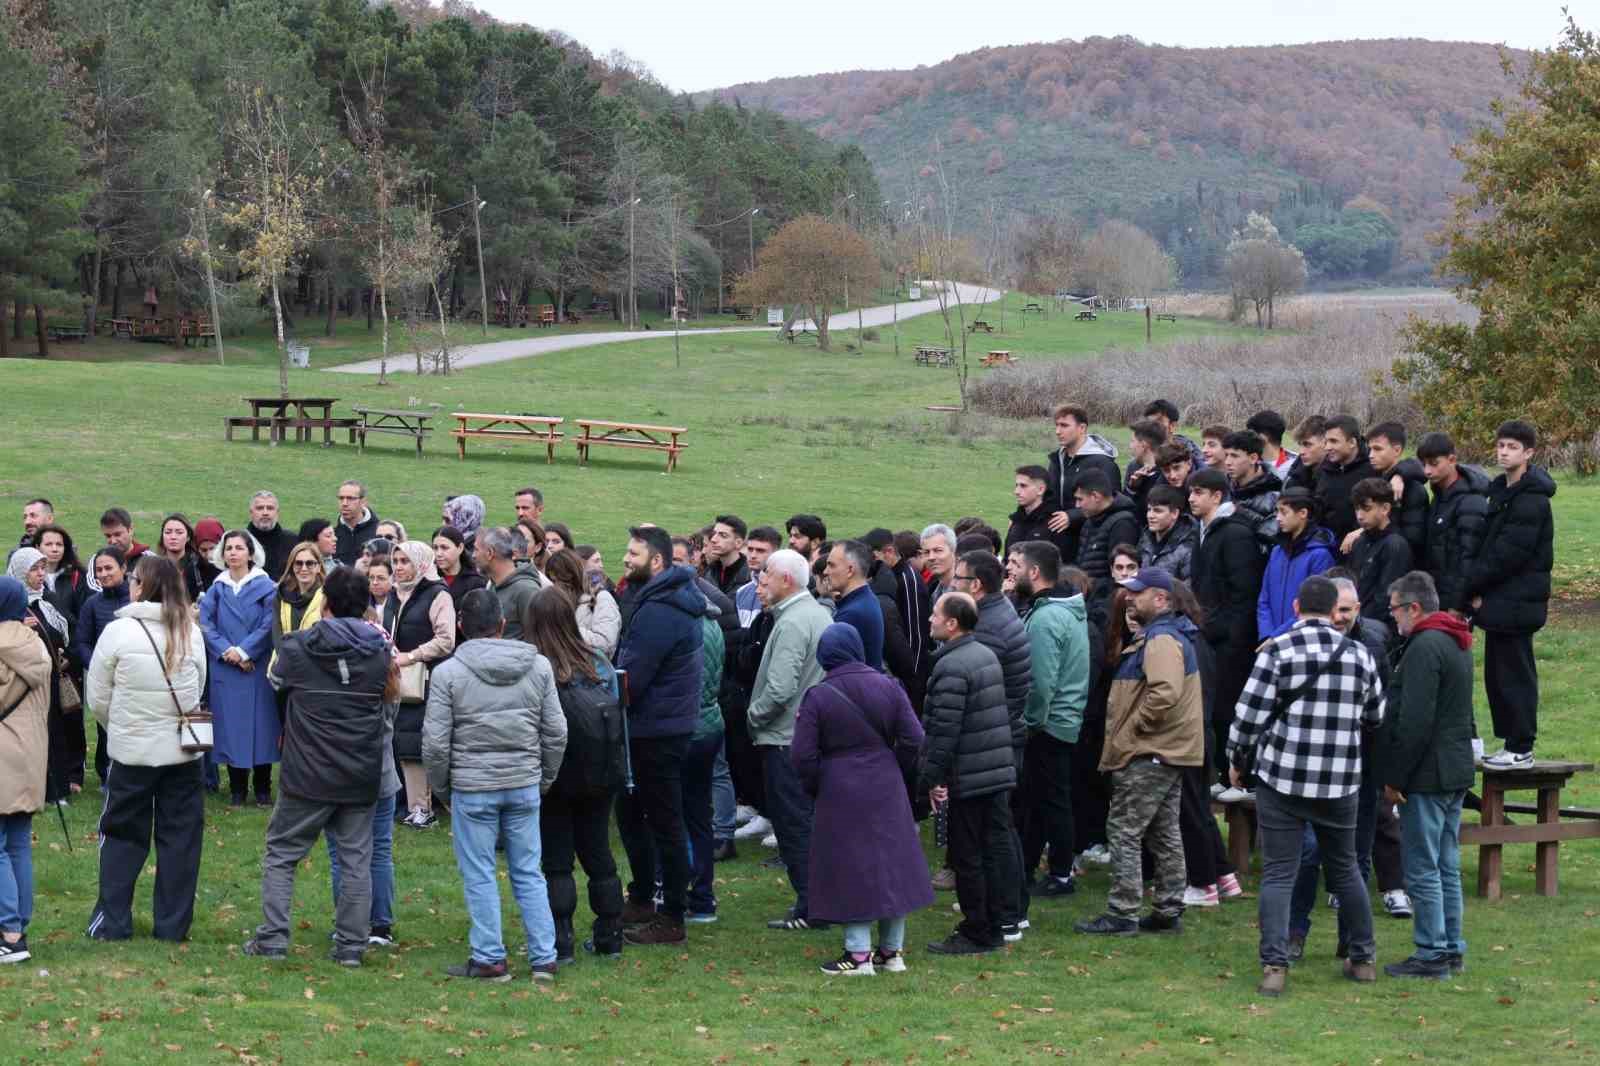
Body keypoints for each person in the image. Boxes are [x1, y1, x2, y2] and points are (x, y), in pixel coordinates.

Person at [1228, 575, 1386, 998]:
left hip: (1283, 777)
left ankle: (1275, 966)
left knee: (1280, 872)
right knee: (1346, 868)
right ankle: (1364, 958)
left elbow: (1247, 718)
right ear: (1335, 608)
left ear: (1296, 607)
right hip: (1340, 781)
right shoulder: (1358, 654)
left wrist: (1237, 759)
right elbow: (1376, 715)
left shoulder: (1277, 651)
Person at [245, 568, 392, 967]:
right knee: (356, 860)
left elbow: (276, 680)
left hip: (306, 771)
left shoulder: (297, 647)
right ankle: (351, 947)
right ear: (367, 607)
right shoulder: (380, 650)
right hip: (358, 771)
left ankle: (273, 938)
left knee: (281, 853)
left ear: (324, 604)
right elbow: (390, 694)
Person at [423, 588, 567, 982]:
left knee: (480, 872)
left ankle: (489, 957)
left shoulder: (448, 673)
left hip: (475, 787)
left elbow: (435, 743)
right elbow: (556, 732)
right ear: (503, 624)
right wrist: (544, 778)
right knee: (528, 871)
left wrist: (442, 789)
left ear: (462, 628)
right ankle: (543, 957)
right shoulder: (538, 667)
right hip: (520, 783)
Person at [794, 623, 931, 976]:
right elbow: (915, 738)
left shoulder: (819, 696)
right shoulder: (890, 686)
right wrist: (892, 765)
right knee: (891, 865)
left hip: (840, 786)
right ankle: (891, 952)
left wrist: (818, 784)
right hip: (886, 781)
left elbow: (803, 756)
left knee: (852, 867)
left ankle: (857, 955)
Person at [84, 556, 207, 941]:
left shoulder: (119, 632)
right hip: (181, 753)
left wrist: (120, 727)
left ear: (142, 585)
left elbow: (99, 696)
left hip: (132, 752)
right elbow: (198, 686)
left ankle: (113, 921)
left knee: (122, 836)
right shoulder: (190, 631)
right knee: (180, 841)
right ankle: (172, 926)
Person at [1076, 568, 1203, 937]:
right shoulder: (1163, 636)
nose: (1130, 598)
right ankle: (1167, 909)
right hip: (1165, 751)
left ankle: (1123, 912)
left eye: (1139, 593)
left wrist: (1131, 732)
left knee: (1124, 830)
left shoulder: (1162, 640)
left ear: (1161, 599)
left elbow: (1164, 693)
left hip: (1150, 751)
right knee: (1164, 832)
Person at [520, 590, 626, 962]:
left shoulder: (535, 666)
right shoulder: (598, 662)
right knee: (599, 852)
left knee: (557, 859)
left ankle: (560, 937)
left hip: (555, 772)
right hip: (600, 769)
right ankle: (610, 932)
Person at [615, 526, 705, 946]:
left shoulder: (661, 609)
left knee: (664, 822)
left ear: (656, 562)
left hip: (656, 731)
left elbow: (632, 676)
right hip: (656, 726)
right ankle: (643, 896)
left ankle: (671, 915)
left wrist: (606, 691)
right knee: (632, 814)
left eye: (633, 554)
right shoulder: (657, 600)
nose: (625, 560)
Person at [1381, 572, 1473, 980]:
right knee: (1447, 866)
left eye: (1395, 611)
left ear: (1413, 608)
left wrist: (1395, 777)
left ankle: (1432, 952)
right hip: (1454, 769)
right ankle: (1450, 947)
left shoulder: (1424, 646)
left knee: (1423, 867)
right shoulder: (1455, 640)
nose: (1393, 619)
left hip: (1429, 774)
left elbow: (1414, 721)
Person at [920, 592, 1016, 955]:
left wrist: (929, 778)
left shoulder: (953, 665)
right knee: (989, 851)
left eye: (935, 614)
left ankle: (978, 930)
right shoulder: (983, 655)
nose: (930, 619)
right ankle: (994, 923)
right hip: (992, 771)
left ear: (952, 623)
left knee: (968, 856)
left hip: (971, 776)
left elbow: (944, 731)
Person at [747, 549, 831, 929]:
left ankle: (812, 907)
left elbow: (780, 688)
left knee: (794, 824)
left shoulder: (793, 622)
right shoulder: (816, 614)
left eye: (767, 576)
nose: (761, 582)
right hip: (806, 736)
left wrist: (752, 716)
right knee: (808, 823)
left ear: (787, 580)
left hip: (785, 738)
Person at [1466, 419, 1555, 770]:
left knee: (1515, 674)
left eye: (1512, 447)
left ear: (1529, 453)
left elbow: (1508, 554)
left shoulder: (1531, 500)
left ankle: (1521, 747)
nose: (1504, 452)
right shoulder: (1500, 490)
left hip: (1519, 600)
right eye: (1501, 445)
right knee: (1498, 675)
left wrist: (1473, 585)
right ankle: (1511, 744)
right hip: (1501, 600)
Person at [958, 550, 1032, 937]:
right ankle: (1012, 908)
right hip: (1002, 738)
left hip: (992, 743)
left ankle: (1006, 912)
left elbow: (974, 691)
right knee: (1000, 829)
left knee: (995, 832)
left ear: (977, 586)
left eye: (959, 579)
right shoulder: (998, 614)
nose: (953, 585)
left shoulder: (988, 628)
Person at [1012, 541, 1090, 902]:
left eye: (1016, 566)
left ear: (1034, 572)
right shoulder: (1061, 610)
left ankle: (1060, 874)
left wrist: (1029, 723)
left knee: (1051, 801)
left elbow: (1041, 683)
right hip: (1061, 720)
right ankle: (1032, 866)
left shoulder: (1045, 619)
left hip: (1048, 725)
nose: (1010, 572)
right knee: (1042, 800)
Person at [1188, 468, 1265, 785]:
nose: (1191, 498)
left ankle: (1234, 778)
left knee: (1226, 710)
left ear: (1217, 496)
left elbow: (1243, 593)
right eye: (1191, 492)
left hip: (1229, 644)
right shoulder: (1204, 529)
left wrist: (1220, 633)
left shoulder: (1235, 534)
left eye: (1198, 492)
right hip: (1208, 636)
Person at [199, 531, 278, 807]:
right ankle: (237, 788)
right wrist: (229, 652)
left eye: (239, 548)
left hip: (256, 667)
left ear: (250, 553)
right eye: (228, 548)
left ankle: (263, 788)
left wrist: (245, 651)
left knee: (262, 727)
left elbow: (269, 624)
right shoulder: (216, 589)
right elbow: (206, 624)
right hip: (227, 669)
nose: (233, 553)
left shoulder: (267, 587)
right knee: (231, 728)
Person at [385, 541, 457, 830]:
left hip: (426, 680)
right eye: (396, 561)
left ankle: (423, 808)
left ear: (420, 563)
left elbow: (446, 639)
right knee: (399, 741)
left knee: (416, 743)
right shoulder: (394, 594)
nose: (399, 567)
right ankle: (407, 803)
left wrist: (412, 656)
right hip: (396, 678)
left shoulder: (437, 595)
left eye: (406, 561)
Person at [0, 576, 51, 964]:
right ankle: (19, 923)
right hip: (30, 752)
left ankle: (10, 932)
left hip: (2, 752)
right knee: (17, 843)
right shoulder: (36, 642)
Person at [7, 548, 72, 802]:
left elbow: (65, 631)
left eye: (43, 568)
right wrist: (18, 627)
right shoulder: (10, 603)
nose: (40, 574)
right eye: (34, 569)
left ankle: (57, 789)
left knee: (55, 729)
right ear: (21, 572)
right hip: (23, 682)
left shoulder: (47, 600)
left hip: (51, 678)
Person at [1417, 432, 1489, 618]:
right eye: (1423, 464)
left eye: (1434, 463)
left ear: (1452, 460)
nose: (1427, 471)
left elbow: (1469, 557)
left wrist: (1458, 605)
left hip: (1453, 603)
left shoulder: (1471, 501)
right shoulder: (1440, 497)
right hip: (1435, 597)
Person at [77, 547, 133, 786]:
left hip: (135, 676)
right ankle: (106, 774)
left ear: (123, 568)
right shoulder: (92, 604)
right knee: (105, 728)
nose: (103, 574)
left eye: (109, 568)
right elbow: (82, 641)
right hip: (104, 678)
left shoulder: (137, 599)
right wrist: (99, 667)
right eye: (99, 570)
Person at [1046, 404, 1121, 564]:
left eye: (1064, 425)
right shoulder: (1056, 460)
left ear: (1082, 428)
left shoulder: (1102, 462)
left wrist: (1073, 516)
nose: (1058, 431)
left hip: (1091, 541)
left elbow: (1112, 501)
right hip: (1058, 541)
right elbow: (1050, 496)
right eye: (1057, 425)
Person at [1257, 489, 1337, 640]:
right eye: (1277, 512)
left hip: (1302, 638)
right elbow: (1264, 598)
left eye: (1284, 512)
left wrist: (1277, 636)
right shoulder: (1277, 552)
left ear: (1303, 513)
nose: (1278, 518)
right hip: (1270, 639)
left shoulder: (1319, 555)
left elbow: (1313, 606)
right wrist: (1266, 634)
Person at [1348, 478, 1414, 630]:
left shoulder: (1395, 545)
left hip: (1378, 629)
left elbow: (1386, 597)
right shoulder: (1359, 542)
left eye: (1366, 508)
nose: (1359, 516)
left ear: (1385, 508)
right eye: (1357, 509)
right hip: (1356, 622)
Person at [1364, 423, 1430, 561]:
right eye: (1369, 449)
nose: (1371, 455)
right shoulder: (1374, 477)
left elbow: (1412, 539)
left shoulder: (1412, 489)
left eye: (1377, 449)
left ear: (1397, 450)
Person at [1073, 472, 1141, 602]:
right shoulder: (1090, 521)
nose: (1077, 505)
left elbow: (1121, 573)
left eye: (1080, 499)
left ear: (1095, 496)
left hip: (1106, 602)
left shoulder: (1122, 523)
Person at [1313, 416, 1377, 554]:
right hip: (1324, 549)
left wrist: (1399, 476)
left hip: (1357, 552)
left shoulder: (1373, 469)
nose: (1327, 447)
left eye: (1334, 441)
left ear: (1352, 442)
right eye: (1326, 441)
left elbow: (1406, 467)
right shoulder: (1323, 469)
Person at [545, 549, 620, 657]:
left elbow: (605, 643)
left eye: (560, 580)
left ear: (573, 575)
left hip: (592, 670)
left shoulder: (601, 598)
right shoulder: (556, 601)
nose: (556, 586)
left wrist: (566, 629)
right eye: (553, 581)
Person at [824, 541, 884, 671]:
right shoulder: (865, 600)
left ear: (850, 570)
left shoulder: (852, 613)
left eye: (831, 565)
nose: (825, 571)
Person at [475, 527, 540, 642]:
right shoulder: (493, 584)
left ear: (490, 553)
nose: (473, 555)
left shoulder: (527, 590)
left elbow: (538, 637)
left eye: (476, 550)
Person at [1223, 430, 1283, 551]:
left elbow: (1271, 535)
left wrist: (1240, 513)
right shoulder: (1222, 487)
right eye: (1226, 455)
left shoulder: (1276, 494)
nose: (1227, 462)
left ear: (1253, 458)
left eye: (1234, 456)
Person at [271, 543, 326, 664]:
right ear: (292, 566)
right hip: (285, 664)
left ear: (318, 567)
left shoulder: (327, 596)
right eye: (298, 563)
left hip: (316, 666)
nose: (304, 568)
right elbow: (277, 632)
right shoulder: (281, 595)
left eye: (310, 563)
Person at [1005, 465, 1072, 560]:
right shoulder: (1016, 521)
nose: (1016, 491)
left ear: (1040, 489)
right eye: (1017, 485)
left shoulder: (1055, 522)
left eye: (1023, 486)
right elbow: (1007, 558)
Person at [433, 526, 488, 637]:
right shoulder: (429, 579)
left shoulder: (476, 583)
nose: (438, 553)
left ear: (460, 548)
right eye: (435, 548)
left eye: (444, 548)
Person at [1138, 485, 1198, 581]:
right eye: (1149, 510)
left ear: (1174, 513)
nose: (1150, 515)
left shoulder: (1188, 546)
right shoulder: (1145, 539)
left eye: (1158, 511)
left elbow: (1189, 588)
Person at [158, 514, 215, 601]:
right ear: (162, 536)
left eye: (179, 532)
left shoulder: (199, 567)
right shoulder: (154, 566)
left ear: (188, 537)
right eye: (168, 532)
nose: (173, 537)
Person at [1123, 419, 1170, 516]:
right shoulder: (1133, 467)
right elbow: (1124, 507)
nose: (1130, 446)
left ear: (1144, 445)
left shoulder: (1167, 471)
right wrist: (1132, 488)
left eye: (1132, 441)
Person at [247, 491, 297, 582]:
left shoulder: (293, 541)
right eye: (260, 508)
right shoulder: (239, 542)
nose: (265, 513)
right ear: (251, 513)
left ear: (277, 513)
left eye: (270, 508)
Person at [333, 481, 380, 567]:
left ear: (363, 501)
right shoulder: (331, 535)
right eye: (341, 498)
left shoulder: (379, 532)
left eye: (350, 498)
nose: (344, 503)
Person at [704, 516, 751, 598]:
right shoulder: (709, 572)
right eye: (714, 534)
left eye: (723, 535)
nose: (713, 540)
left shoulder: (749, 576)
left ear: (738, 543)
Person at [1283, 415, 1329, 494]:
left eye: (1307, 445)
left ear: (1326, 443)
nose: (1301, 452)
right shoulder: (1295, 475)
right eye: (1300, 444)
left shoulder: (1337, 479)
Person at [1247, 410, 1297, 478]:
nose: (1247, 438)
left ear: (1263, 437)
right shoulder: (1247, 464)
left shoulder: (1297, 466)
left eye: (1250, 434)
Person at [920, 524, 958, 603]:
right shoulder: (932, 590)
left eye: (938, 550)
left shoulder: (964, 593)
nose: (931, 557)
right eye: (926, 552)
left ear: (953, 551)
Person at [365, 558, 393, 630]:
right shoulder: (363, 605)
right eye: (371, 578)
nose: (375, 582)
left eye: (381, 578)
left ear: (392, 578)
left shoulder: (400, 605)